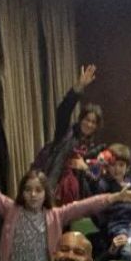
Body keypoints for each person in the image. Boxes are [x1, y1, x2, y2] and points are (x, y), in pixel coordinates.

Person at [0, 146, 131, 261]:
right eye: (28, 190)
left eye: (38, 190)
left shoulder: (56, 215)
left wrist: (115, 197)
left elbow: (86, 205)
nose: (33, 195)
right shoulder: (11, 210)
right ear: (22, 192)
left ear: (45, 193)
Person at [33, 64, 104, 204]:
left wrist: (84, 167)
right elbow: (63, 111)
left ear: (97, 126)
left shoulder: (95, 149)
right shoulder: (65, 135)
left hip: (78, 202)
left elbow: (97, 180)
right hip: (54, 193)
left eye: (93, 122)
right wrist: (78, 87)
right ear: (80, 119)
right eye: (87, 120)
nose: (89, 124)